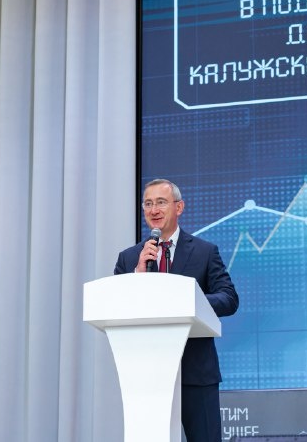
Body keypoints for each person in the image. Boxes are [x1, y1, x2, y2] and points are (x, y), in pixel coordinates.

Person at [113, 178, 239, 442]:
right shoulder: (129, 258)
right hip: (146, 375)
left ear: (179, 207)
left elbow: (229, 298)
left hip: (196, 372)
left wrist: (190, 301)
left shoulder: (205, 251)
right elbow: (115, 305)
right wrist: (136, 275)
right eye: (148, 204)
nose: (154, 210)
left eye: (161, 202)